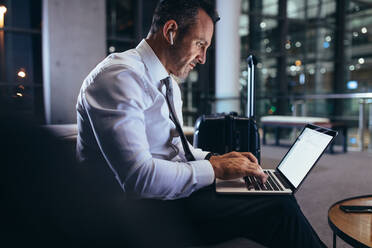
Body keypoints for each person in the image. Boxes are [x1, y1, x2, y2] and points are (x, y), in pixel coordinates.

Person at [76, 0, 326, 247]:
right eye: (200, 45)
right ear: (171, 31)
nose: (203, 58)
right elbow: (139, 179)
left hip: (167, 198)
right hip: (135, 214)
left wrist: (219, 159)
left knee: (274, 197)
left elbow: (176, 149)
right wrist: (216, 170)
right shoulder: (120, 77)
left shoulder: (167, 82)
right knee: (277, 208)